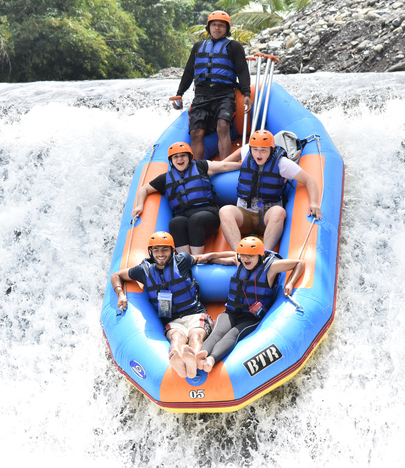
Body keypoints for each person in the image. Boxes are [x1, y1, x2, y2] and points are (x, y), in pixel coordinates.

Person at [110, 231, 213, 379]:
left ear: (172, 250)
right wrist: (120, 294)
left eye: (165, 249)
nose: (160, 254)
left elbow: (203, 258)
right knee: (176, 338)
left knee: (195, 335)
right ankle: (177, 359)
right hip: (172, 321)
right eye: (156, 250)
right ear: (150, 252)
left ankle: (193, 358)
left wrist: (231, 259)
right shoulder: (143, 271)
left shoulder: (182, 260)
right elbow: (116, 275)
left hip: (196, 313)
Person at [195, 236, 305, 372]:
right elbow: (232, 255)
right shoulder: (241, 262)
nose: (246, 259)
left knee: (233, 334)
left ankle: (211, 359)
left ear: (259, 256)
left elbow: (299, 263)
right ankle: (202, 354)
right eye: (244, 255)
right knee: (216, 332)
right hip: (231, 312)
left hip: (251, 317)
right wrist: (212, 255)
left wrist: (291, 283)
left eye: (251, 256)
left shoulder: (270, 268)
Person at [218, 129, 322, 251]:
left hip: (267, 216)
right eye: (255, 150)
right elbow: (226, 163)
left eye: (263, 150)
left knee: (279, 211)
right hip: (244, 214)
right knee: (225, 210)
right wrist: (218, 165)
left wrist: (314, 203)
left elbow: (309, 180)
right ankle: (239, 253)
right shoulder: (246, 150)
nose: (258, 154)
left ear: (271, 150)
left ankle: (264, 254)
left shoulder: (282, 164)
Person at [132, 142, 241, 255]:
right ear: (171, 160)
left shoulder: (201, 166)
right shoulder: (165, 178)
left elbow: (223, 166)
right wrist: (140, 205)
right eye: (176, 157)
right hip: (183, 215)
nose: (180, 159)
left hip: (208, 214)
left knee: (196, 220)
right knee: (175, 222)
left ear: (189, 157)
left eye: (183, 155)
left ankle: (196, 258)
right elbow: (144, 189)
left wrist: (242, 166)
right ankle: (184, 259)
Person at [171, 10, 252, 161]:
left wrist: (246, 94)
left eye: (221, 25)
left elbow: (242, 71)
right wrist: (179, 93)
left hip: (224, 96)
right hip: (201, 96)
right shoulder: (198, 46)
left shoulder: (234, 46)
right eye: (214, 25)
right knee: (196, 132)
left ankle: (224, 166)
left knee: (223, 126)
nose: (217, 28)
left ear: (226, 29)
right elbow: (189, 72)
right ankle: (198, 169)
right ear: (208, 27)